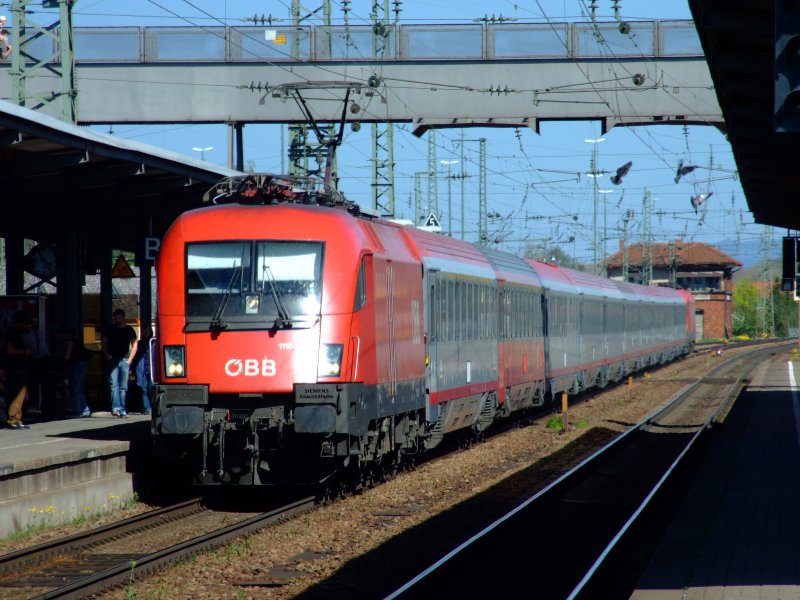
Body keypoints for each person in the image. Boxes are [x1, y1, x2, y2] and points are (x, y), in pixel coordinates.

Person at [101, 309, 138, 418]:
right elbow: (103, 341)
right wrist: (106, 354)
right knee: (114, 385)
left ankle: (122, 409)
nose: (117, 320)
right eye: (115, 318)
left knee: (123, 386)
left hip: (124, 359)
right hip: (113, 359)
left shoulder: (129, 329)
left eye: (119, 317)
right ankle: (116, 408)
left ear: (123, 317)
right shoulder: (110, 329)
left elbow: (135, 344)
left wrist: (130, 359)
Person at [4, 311, 34, 429]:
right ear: (21, 323)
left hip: (19, 366)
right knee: (18, 391)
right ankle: (13, 418)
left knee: (20, 392)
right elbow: (9, 349)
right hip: (16, 366)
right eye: (27, 323)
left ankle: (17, 417)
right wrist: (25, 351)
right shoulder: (14, 333)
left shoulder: (18, 332)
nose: (29, 326)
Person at [65, 327, 92, 418]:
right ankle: (85, 409)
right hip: (82, 365)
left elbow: (67, 357)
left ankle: (77, 410)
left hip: (75, 366)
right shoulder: (78, 342)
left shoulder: (70, 342)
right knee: (79, 388)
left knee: (74, 389)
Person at [131, 324, 153, 415]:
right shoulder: (139, 344)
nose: (146, 332)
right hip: (142, 369)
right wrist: (132, 369)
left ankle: (153, 407)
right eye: (144, 331)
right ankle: (147, 408)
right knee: (143, 388)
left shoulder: (154, 342)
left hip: (152, 369)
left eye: (147, 330)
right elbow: (135, 357)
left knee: (151, 388)